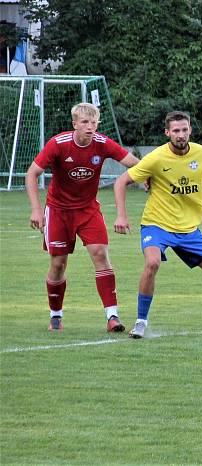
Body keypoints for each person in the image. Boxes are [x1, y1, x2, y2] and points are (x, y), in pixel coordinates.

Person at [113, 111, 202, 338]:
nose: (181, 135)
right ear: (167, 133)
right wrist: (121, 216)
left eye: (184, 130)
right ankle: (140, 323)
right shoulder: (156, 158)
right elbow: (122, 182)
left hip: (189, 229)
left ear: (190, 130)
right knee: (152, 264)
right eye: (176, 131)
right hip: (157, 225)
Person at [25, 102, 140, 333]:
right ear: (74, 124)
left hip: (88, 210)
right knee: (58, 264)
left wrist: (145, 177)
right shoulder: (58, 144)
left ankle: (112, 316)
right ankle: (56, 316)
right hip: (58, 211)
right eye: (85, 122)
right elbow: (32, 173)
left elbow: (135, 164)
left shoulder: (102, 143)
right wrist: (37, 210)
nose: (90, 127)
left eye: (94, 122)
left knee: (100, 255)